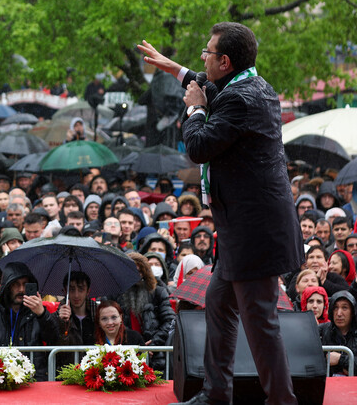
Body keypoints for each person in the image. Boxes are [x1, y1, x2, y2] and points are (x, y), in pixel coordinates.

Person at [141, 22, 302, 405]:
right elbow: (208, 85)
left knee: (261, 322)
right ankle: (216, 394)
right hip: (243, 230)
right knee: (218, 302)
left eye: (208, 53)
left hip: (254, 234)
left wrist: (194, 108)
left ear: (225, 61)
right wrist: (174, 69)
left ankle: (282, 400)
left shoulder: (238, 99)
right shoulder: (250, 85)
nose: (203, 59)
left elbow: (198, 146)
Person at [0, 262, 60, 381]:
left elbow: (54, 339)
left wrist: (42, 314)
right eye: (16, 284)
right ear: (7, 286)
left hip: (34, 379)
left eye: (25, 284)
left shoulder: (38, 312)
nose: (21, 289)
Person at [318, 291, 357, 376]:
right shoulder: (322, 330)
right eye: (335, 308)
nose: (339, 314)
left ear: (353, 312)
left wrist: (340, 359)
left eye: (345, 308)